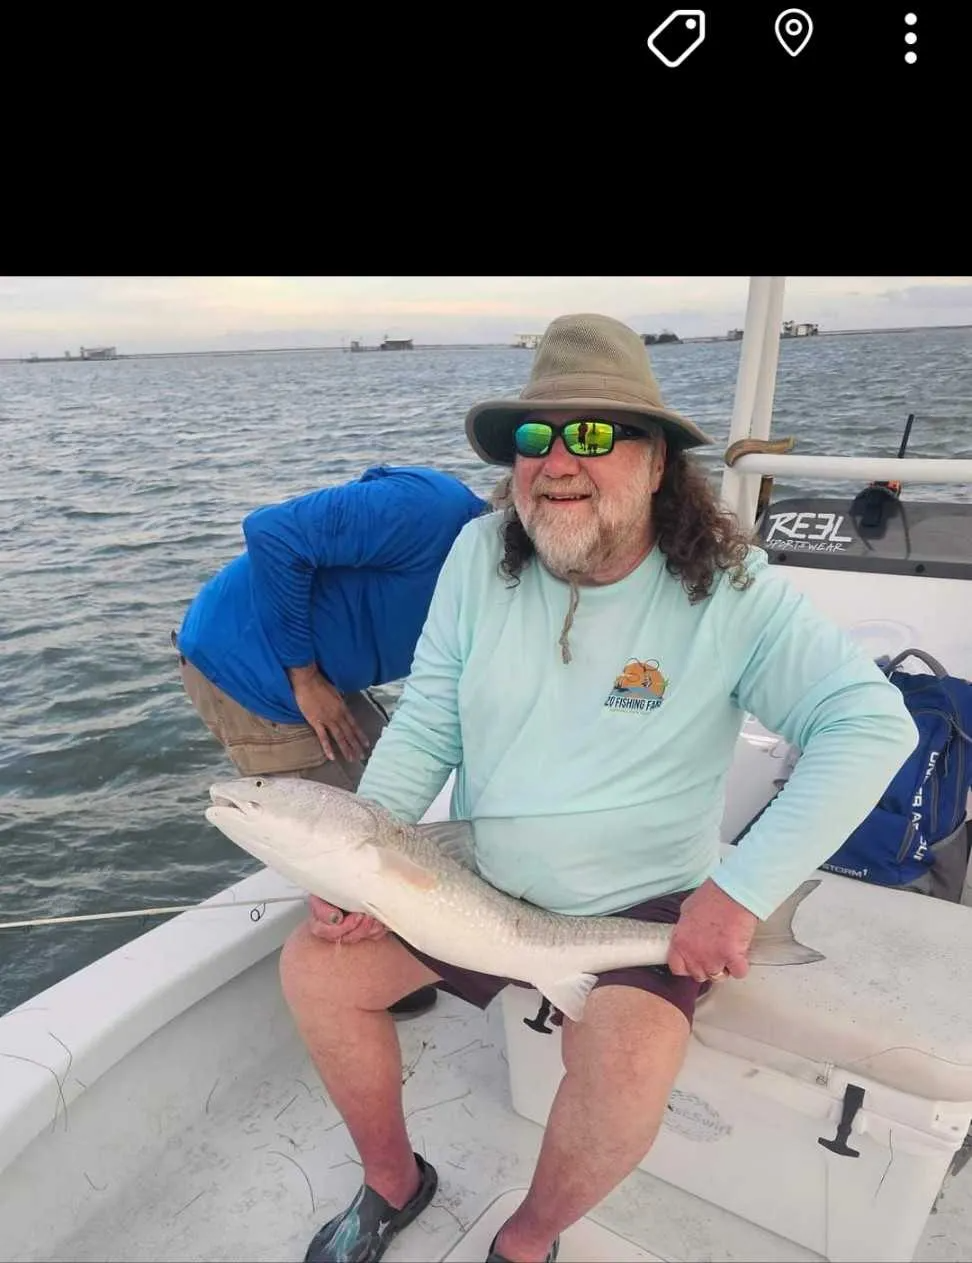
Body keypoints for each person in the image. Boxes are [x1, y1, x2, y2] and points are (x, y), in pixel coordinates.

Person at [277, 315, 919, 1263]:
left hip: (638, 902)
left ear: (657, 461)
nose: (557, 461)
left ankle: (526, 1239)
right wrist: (362, 858)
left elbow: (871, 725)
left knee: (626, 1065)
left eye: (592, 433)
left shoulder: (731, 589)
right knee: (315, 971)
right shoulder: (477, 556)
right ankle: (393, 1181)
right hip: (479, 882)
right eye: (535, 437)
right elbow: (427, 723)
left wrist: (738, 895)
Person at [173, 463, 489, 1020]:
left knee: (385, 803)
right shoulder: (434, 511)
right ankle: (355, 986)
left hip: (330, 674)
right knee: (335, 843)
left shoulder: (504, 585)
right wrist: (304, 677)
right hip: (248, 670)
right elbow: (272, 531)